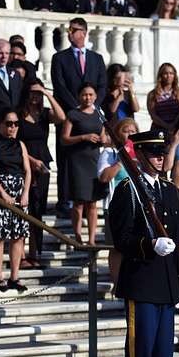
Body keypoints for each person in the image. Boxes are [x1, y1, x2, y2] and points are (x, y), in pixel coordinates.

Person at [109, 129, 179, 357]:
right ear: (138, 154)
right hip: (141, 283)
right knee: (142, 355)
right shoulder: (128, 190)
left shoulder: (168, 190)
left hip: (165, 284)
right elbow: (121, 238)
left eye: (162, 153)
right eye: (153, 153)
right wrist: (148, 244)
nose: (159, 158)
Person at [50, 17, 106, 214]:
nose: (71, 33)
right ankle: (65, 200)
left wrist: (91, 106)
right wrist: (77, 108)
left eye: (75, 30)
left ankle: (90, 198)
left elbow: (102, 85)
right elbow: (59, 85)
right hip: (70, 116)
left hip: (91, 117)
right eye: (70, 30)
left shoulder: (96, 58)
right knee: (65, 158)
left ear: (84, 32)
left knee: (91, 158)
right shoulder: (59, 58)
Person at [0, 109, 32, 292]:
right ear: (1, 124)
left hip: (19, 192)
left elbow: (27, 170)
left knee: (18, 235)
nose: (13, 127)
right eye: (9, 123)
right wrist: (2, 193)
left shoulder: (21, 145)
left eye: (16, 124)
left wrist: (25, 193)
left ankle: (14, 276)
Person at [18, 80, 66, 266]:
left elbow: (61, 117)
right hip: (23, 163)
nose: (35, 97)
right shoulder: (19, 116)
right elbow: (16, 143)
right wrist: (30, 160)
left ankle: (35, 253)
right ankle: (20, 254)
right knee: (22, 209)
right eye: (33, 93)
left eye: (38, 94)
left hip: (43, 165)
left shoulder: (45, 114)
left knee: (37, 211)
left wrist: (47, 94)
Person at [60, 82, 107, 245]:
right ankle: (78, 234)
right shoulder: (73, 114)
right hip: (77, 161)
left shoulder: (99, 113)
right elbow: (64, 139)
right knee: (79, 202)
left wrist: (103, 139)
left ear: (95, 96)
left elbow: (104, 135)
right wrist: (83, 137)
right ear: (79, 96)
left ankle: (92, 238)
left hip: (94, 160)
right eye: (84, 94)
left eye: (91, 95)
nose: (88, 98)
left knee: (93, 203)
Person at [97, 117, 139, 283]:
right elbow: (104, 177)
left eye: (133, 130)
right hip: (115, 207)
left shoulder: (141, 155)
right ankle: (116, 282)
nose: (129, 133)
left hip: (137, 206)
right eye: (125, 130)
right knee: (116, 247)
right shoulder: (109, 153)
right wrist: (122, 159)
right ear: (117, 133)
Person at [147, 62, 179, 133]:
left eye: (171, 73)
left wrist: (173, 125)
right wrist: (166, 125)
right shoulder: (152, 94)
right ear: (161, 75)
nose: (168, 76)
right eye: (165, 73)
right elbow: (153, 115)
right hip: (158, 129)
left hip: (176, 128)